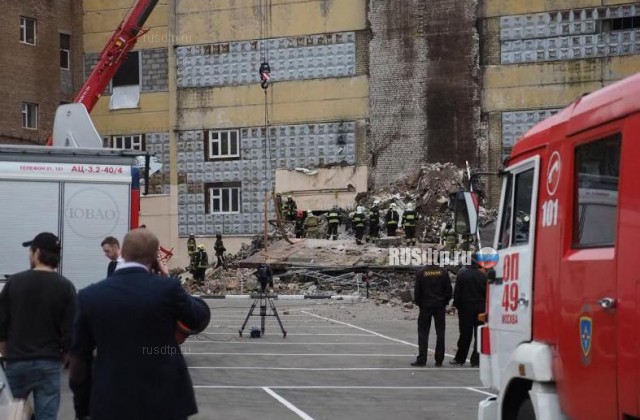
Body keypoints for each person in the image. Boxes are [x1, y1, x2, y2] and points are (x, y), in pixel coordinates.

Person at [69, 228, 211, 420]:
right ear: (154, 258)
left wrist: (81, 407)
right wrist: (167, 279)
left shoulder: (89, 296)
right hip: (165, 402)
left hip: (112, 402)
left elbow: (79, 358)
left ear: (123, 253)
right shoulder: (167, 289)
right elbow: (198, 318)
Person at [0, 232, 76, 420]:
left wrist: (5, 352)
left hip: (17, 361)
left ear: (37, 252)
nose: (29, 254)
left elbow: (2, 324)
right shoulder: (65, 286)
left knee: (13, 414)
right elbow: (70, 330)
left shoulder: (14, 282)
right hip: (49, 362)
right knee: (47, 416)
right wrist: (65, 356)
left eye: (30, 250)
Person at [411, 264, 452, 367]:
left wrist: (420, 304)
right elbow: (449, 291)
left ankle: (422, 359)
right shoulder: (443, 272)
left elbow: (417, 291)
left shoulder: (421, 272)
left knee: (423, 333)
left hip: (425, 306)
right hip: (439, 306)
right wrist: (444, 302)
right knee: (440, 333)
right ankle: (439, 360)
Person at [450, 256, 487, 367]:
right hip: (480, 308)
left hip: (465, 308)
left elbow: (457, 292)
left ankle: (460, 359)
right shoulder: (483, 276)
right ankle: (476, 361)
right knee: (479, 335)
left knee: (465, 334)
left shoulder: (462, 274)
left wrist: (455, 305)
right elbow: (487, 294)